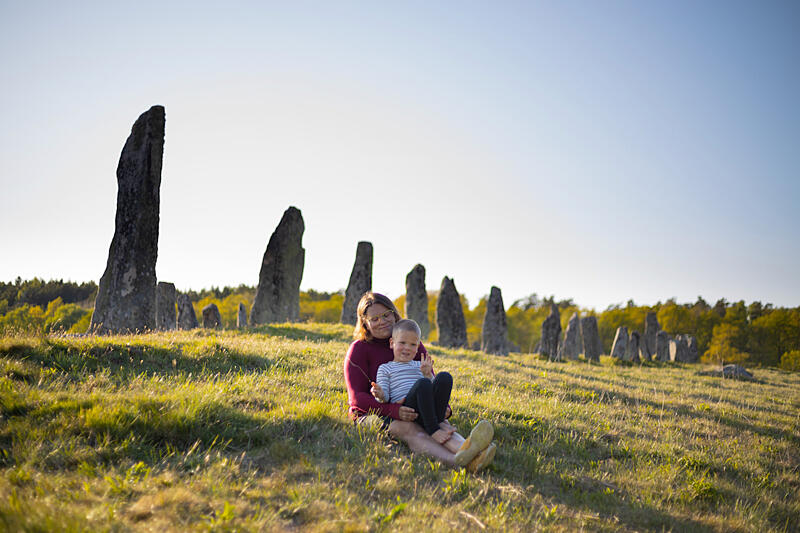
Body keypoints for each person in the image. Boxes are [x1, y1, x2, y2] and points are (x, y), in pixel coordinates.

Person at [343, 291, 496, 471]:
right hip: (372, 412)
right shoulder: (359, 349)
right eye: (374, 319)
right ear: (365, 323)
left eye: (386, 315)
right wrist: (394, 411)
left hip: (413, 403)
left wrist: (442, 406)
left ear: (394, 313)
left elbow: (427, 378)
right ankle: (459, 462)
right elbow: (357, 399)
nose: (382, 321)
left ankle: (474, 453)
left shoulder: (409, 340)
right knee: (409, 428)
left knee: (439, 424)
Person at [371, 319, 455, 444]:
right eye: (402, 343)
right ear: (392, 343)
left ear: (417, 347)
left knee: (444, 377)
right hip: (409, 409)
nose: (407, 348)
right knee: (423, 384)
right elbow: (385, 397)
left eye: (413, 344)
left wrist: (428, 374)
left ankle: (438, 422)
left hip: (429, 409)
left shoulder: (420, 365)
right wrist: (380, 394)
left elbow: (433, 391)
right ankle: (433, 430)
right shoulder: (385, 368)